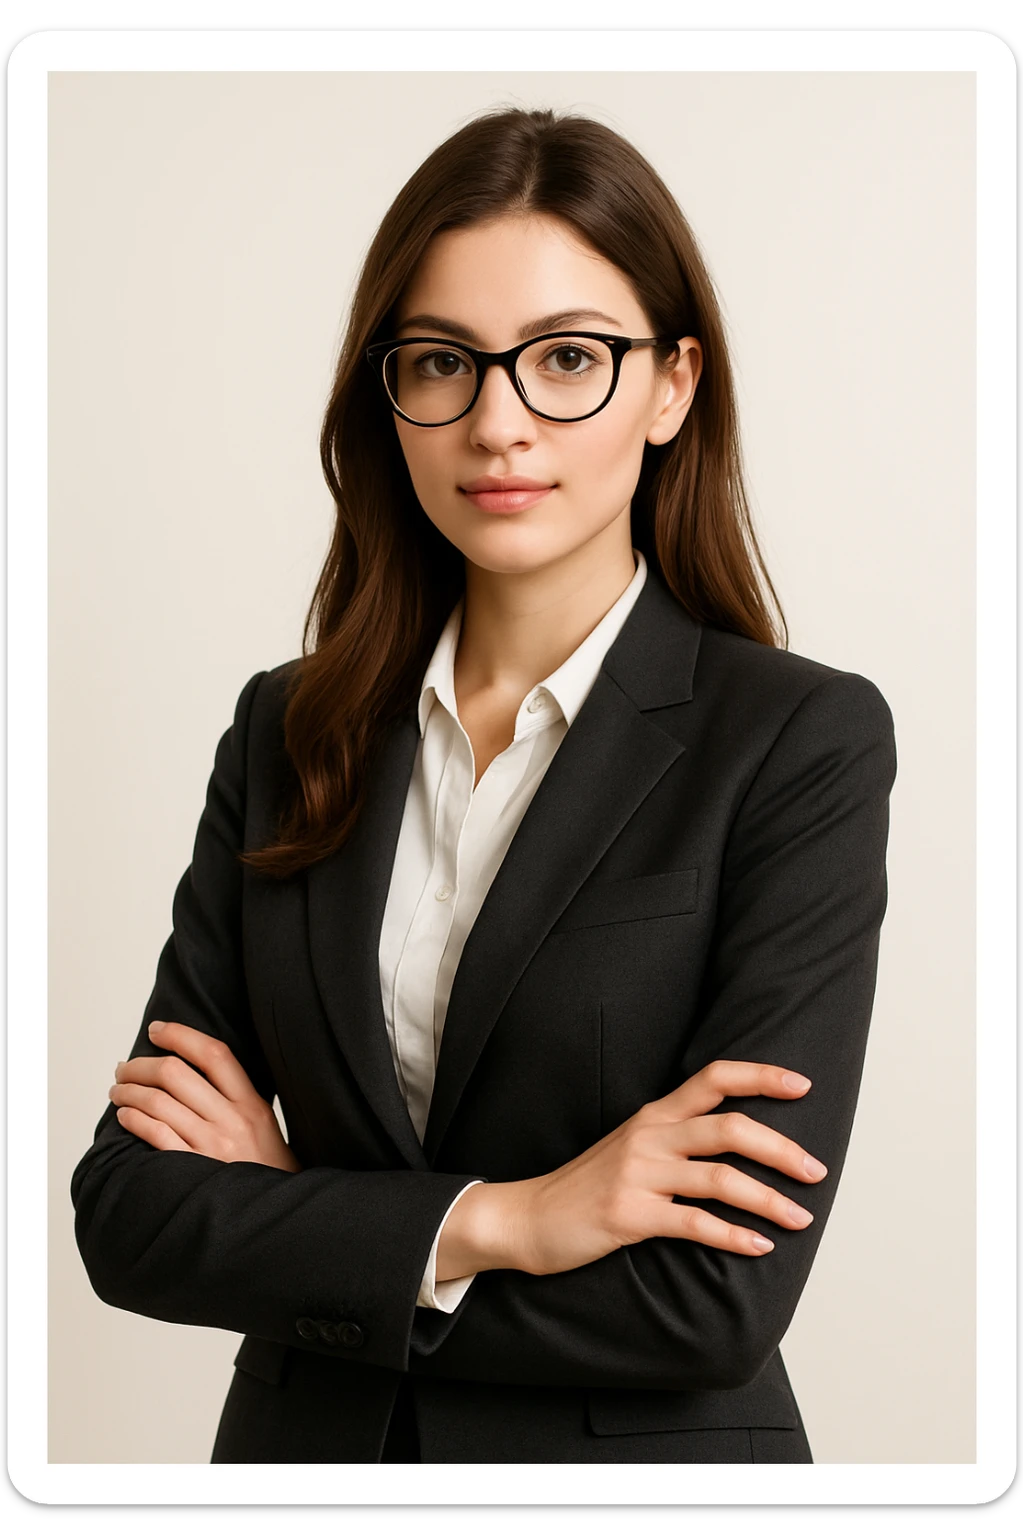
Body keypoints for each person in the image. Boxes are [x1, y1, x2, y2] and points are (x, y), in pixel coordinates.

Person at [70, 106, 897, 1465]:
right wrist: (510, 1221)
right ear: (386, 393)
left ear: (673, 385)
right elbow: (131, 1216)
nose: (498, 421)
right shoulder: (288, 731)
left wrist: (311, 1221)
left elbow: (712, 1302)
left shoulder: (798, 743)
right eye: (443, 362)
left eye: (568, 358)